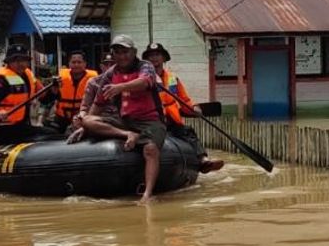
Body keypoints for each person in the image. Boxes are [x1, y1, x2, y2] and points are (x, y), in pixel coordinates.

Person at [81, 35, 166, 204]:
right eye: (117, 52)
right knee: (87, 120)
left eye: (125, 52)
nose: (122, 56)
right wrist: (86, 126)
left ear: (133, 52)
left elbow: (145, 82)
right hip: (125, 121)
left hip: (150, 120)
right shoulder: (110, 73)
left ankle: (147, 194)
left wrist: (121, 87)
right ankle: (128, 134)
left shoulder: (145, 66)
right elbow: (98, 103)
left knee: (150, 149)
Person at [142, 42, 224, 174]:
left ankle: (203, 160)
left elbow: (184, 100)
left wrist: (194, 108)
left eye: (157, 55)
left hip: (171, 120)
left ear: (163, 58)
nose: (154, 58)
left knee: (188, 132)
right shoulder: (142, 79)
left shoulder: (173, 79)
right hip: (152, 120)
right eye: (151, 56)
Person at [0, 44, 53, 145]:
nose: (20, 64)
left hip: (20, 127)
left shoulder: (29, 76)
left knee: (52, 133)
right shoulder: (1, 81)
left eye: (23, 60)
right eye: (16, 61)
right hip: (1, 128)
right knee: (45, 136)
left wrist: (54, 90)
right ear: (8, 62)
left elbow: (45, 99)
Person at [40, 50, 98, 133]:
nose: (76, 65)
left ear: (85, 64)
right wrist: (53, 92)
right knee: (48, 131)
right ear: (69, 64)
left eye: (79, 62)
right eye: (73, 62)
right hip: (61, 118)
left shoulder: (94, 80)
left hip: (83, 117)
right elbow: (45, 101)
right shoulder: (60, 79)